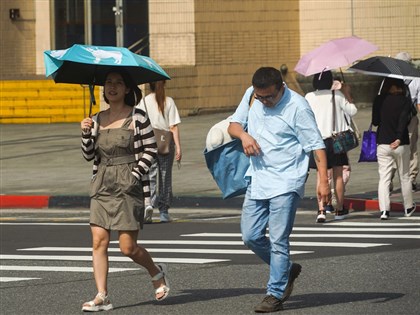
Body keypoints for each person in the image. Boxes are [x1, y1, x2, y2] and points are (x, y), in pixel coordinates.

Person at [228, 67, 330, 313]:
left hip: (287, 180)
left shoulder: (298, 106)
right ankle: (286, 269)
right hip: (258, 177)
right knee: (250, 236)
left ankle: (274, 294)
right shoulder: (252, 95)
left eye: (269, 97)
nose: (264, 101)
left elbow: (317, 146)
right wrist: (244, 136)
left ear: (281, 87)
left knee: (278, 239)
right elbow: (233, 125)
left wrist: (323, 181)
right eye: (260, 97)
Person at [80, 70, 170, 311]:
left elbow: (150, 150)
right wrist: (86, 132)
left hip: (129, 185)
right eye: (108, 83)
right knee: (99, 241)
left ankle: (156, 272)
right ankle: (102, 295)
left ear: (127, 89)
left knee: (127, 247)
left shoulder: (138, 117)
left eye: (118, 83)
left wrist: (134, 175)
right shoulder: (97, 118)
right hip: (102, 183)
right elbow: (89, 155)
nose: (112, 87)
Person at [305, 71, 357, 222]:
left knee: (321, 176)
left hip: (317, 141)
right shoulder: (338, 95)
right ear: (330, 82)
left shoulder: (309, 97)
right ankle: (339, 210)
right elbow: (353, 111)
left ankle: (321, 210)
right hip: (336, 141)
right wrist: (347, 93)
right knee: (338, 176)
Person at [138, 80, 182, 223]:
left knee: (149, 176)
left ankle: (148, 205)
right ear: (164, 84)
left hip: (148, 143)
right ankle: (164, 211)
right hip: (166, 144)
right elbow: (173, 127)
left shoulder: (143, 102)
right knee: (165, 177)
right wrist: (179, 147)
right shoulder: (169, 102)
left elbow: (137, 123)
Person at [372, 77, 416, 220]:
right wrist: (397, 137)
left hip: (383, 142)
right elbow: (405, 119)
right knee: (404, 176)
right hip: (401, 143)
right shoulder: (404, 100)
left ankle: (384, 210)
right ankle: (408, 207)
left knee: (384, 178)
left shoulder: (379, 100)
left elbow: (375, 121)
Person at [389, 52, 420, 192]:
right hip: (410, 118)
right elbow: (419, 104)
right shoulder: (417, 79)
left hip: (393, 117)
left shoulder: (390, 78)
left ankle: (388, 179)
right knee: (411, 149)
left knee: (392, 148)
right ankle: (411, 179)